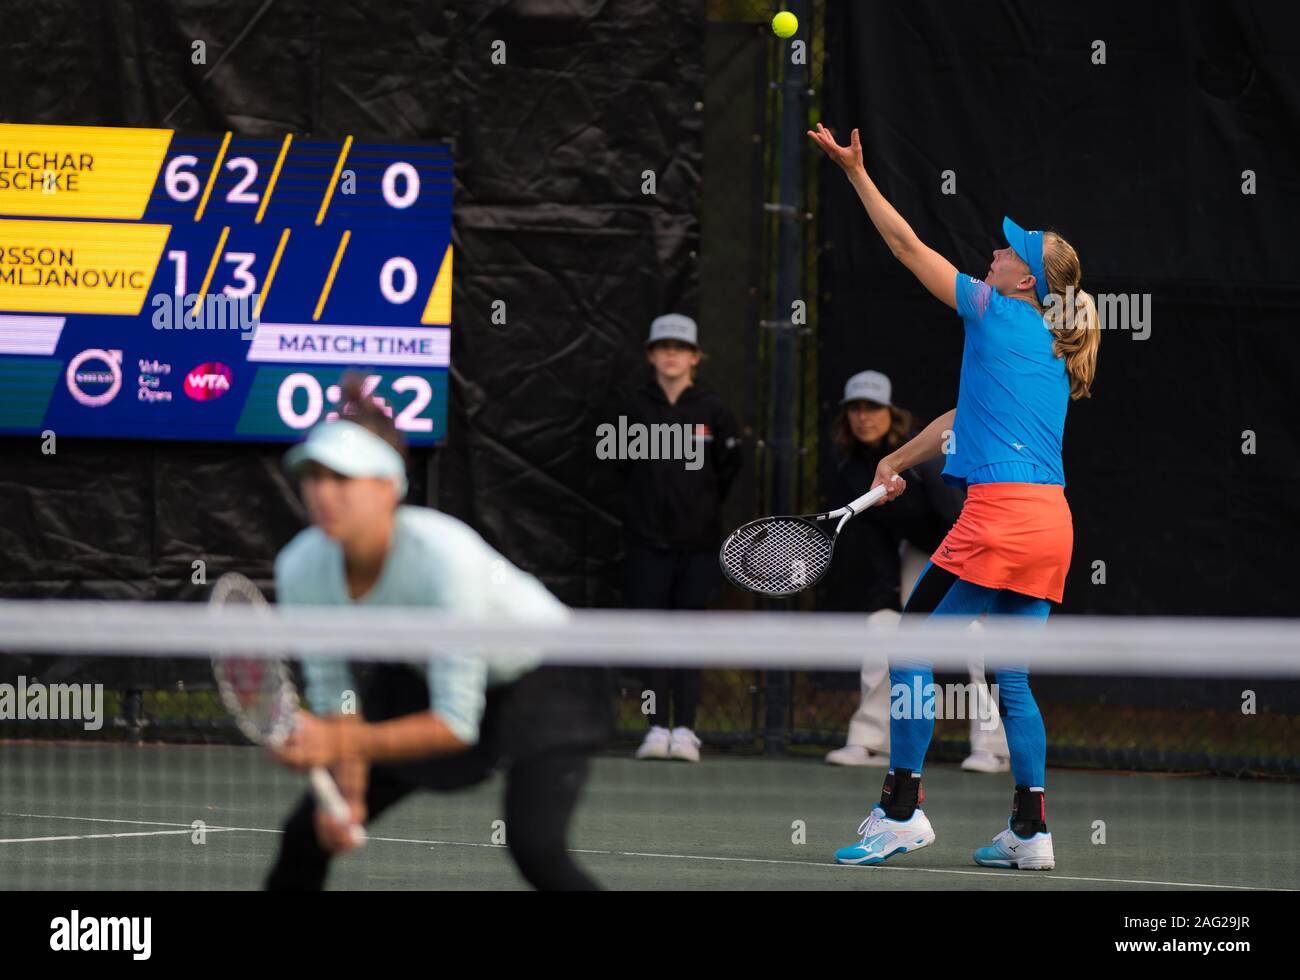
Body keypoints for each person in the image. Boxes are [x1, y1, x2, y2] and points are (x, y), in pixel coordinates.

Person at [809, 123, 1100, 870]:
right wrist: (894, 461)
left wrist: (855, 176)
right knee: (1012, 676)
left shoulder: (992, 309)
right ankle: (1031, 833)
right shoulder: (1051, 348)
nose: (995, 252)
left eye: (1008, 251)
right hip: (1051, 525)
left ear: (1024, 280)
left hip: (999, 519)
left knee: (909, 649)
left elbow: (908, 247)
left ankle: (901, 810)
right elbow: (957, 422)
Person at [264, 374, 606, 890]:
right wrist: (348, 799)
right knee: (304, 835)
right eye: (312, 476)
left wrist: (334, 739)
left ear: (387, 488)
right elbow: (340, 700)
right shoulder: (301, 567)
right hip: (428, 675)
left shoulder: (446, 560)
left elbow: (455, 724)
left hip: (549, 672)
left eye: (342, 478)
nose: (322, 493)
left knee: (537, 847)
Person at [821, 370, 1009, 774]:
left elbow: (959, 518)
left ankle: (991, 748)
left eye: (872, 408)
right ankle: (872, 742)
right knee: (881, 629)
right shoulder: (851, 467)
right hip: (916, 555)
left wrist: (975, 587)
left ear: (891, 413)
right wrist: (888, 594)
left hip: (965, 548)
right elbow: (876, 538)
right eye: (855, 408)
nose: (863, 417)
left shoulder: (922, 458)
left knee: (976, 637)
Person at [618, 314, 741, 763]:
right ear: (652, 354)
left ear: (694, 357)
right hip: (646, 546)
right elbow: (620, 469)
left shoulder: (714, 411)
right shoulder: (632, 408)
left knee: (688, 635)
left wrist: (698, 511)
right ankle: (654, 728)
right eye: (663, 346)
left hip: (699, 547)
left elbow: (727, 471)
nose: (671, 354)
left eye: (680, 347)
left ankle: (686, 730)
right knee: (652, 635)